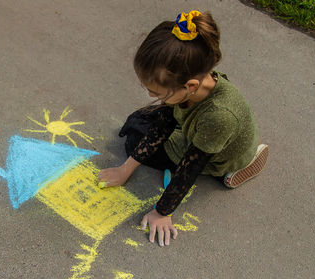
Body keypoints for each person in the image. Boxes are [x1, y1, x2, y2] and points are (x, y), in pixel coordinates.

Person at [98, 10, 269, 247]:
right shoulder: (198, 85)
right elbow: (164, 123)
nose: (149, 95)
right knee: (140, 119)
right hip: (207, 135)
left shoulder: (219, 116)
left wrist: (162, 212)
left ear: (190, 86)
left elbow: (190, 168)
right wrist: (125, 170)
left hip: (214, 156)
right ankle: (240, 157)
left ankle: (230, 171)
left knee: (134, 139)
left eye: (156, 92)